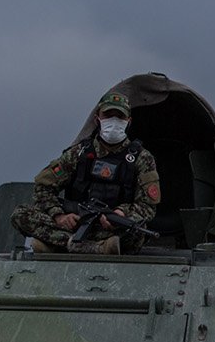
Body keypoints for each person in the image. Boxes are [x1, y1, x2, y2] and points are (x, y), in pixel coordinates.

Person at [11, 91, 161, 253]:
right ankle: (93, 248)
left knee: (138, 231)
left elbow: (147, 206)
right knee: (21, 214)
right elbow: (43, 187)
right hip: (74, 226)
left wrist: (121, 214)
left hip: (110, 229)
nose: (114, 121)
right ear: (97, 119)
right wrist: (59, 216)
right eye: (108, 115)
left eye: (119, 117)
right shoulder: (79, 153)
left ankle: (58, 244)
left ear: (128, 121)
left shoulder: (142, 158)